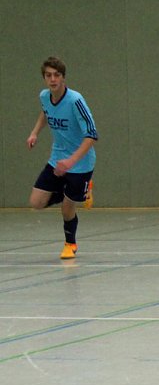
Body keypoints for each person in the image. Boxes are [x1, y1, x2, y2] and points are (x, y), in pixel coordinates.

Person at [26, 56, 98, 259]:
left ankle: (70, 244)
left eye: (56, 75)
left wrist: (71, 162)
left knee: (67, 208)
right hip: (57, 159)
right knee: (36, 202)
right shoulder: (44, 96)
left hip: (80, 163)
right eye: (48, 75)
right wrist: (34, 133)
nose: (52, 79)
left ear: (63, 78)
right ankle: (75, 193)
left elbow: (92, 135)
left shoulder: (76, 101)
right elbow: (45, 113)